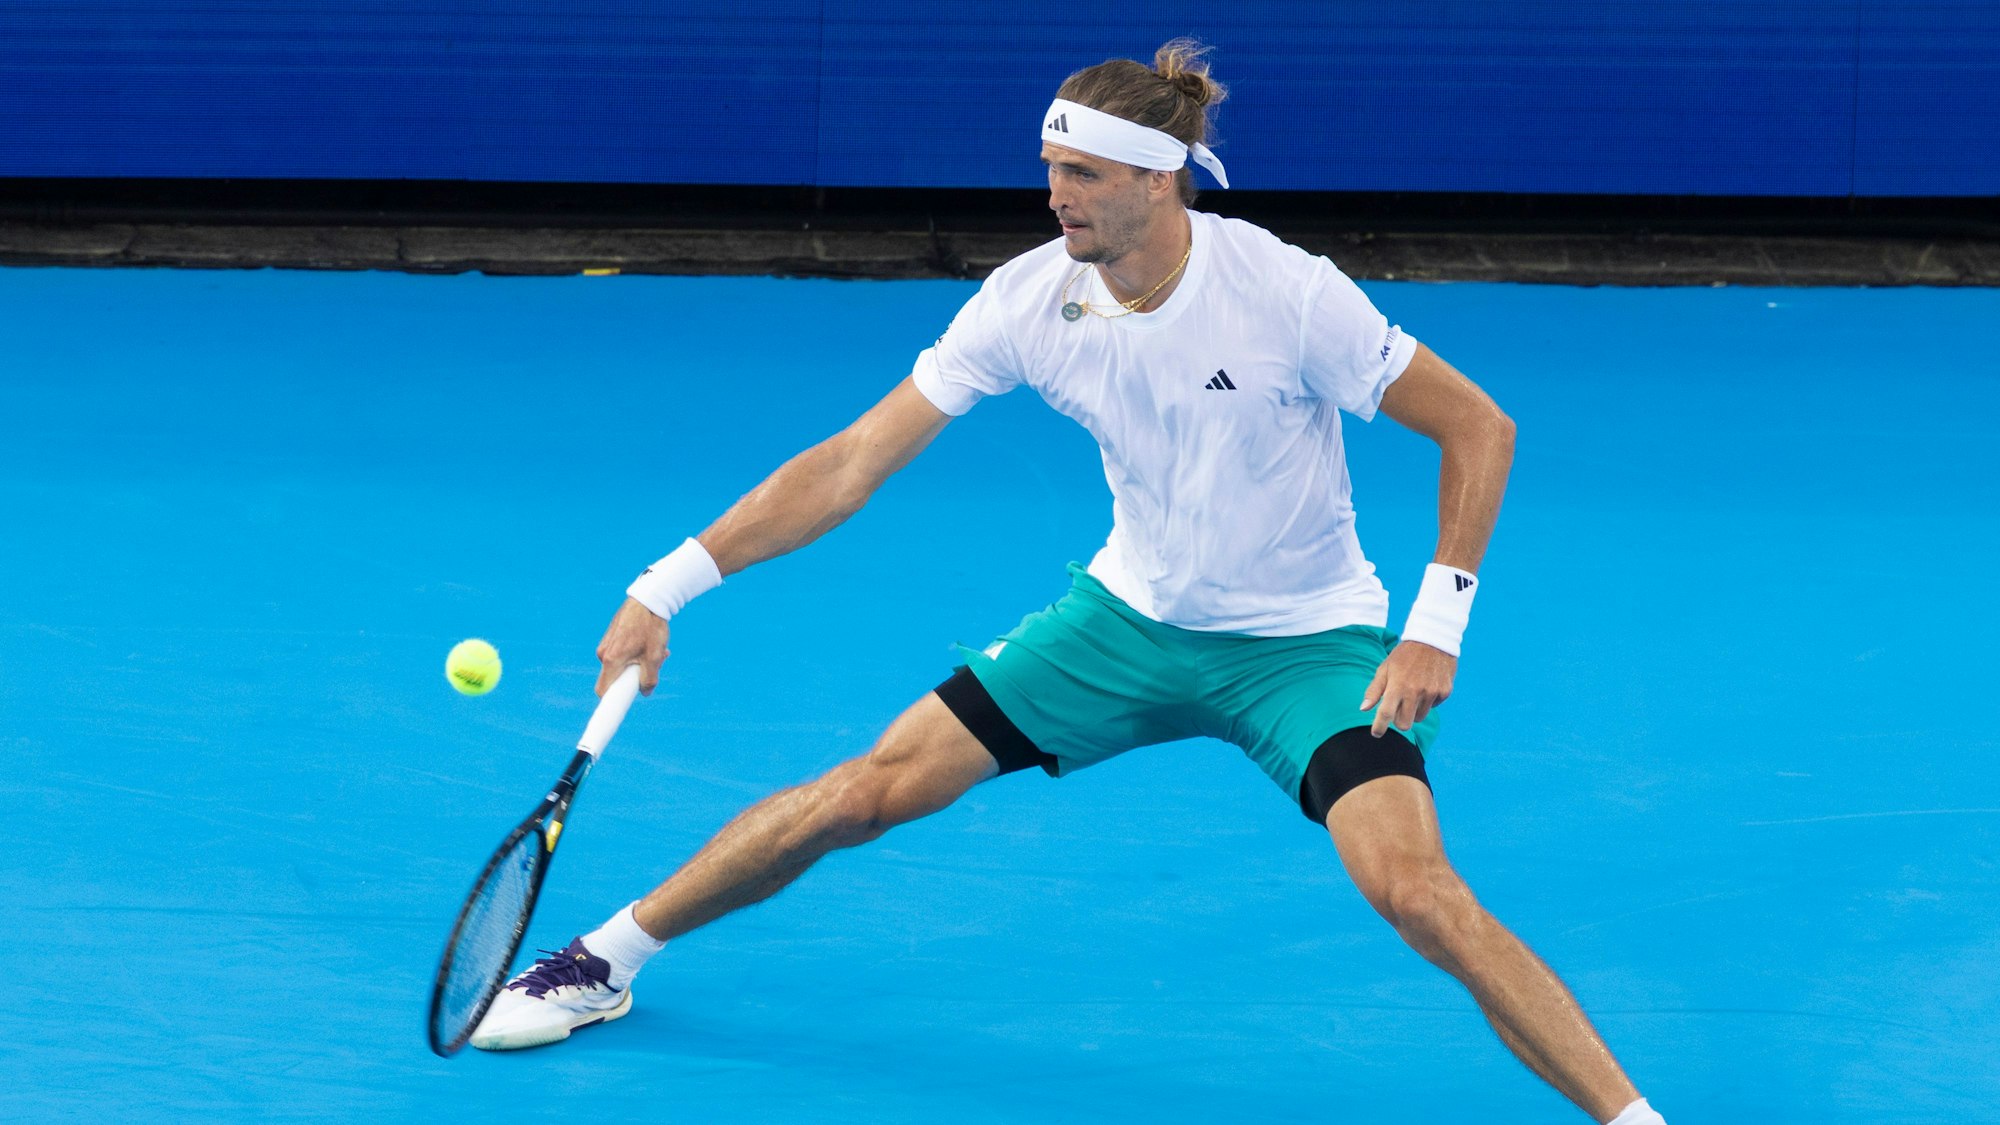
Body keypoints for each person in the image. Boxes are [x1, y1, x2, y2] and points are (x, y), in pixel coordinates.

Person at [471, 38, 1668, 1125]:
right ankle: (602, 960)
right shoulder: (1028, 298)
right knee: (863, 794)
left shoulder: (1284, 292)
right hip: (1123, 625)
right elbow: (851, 462)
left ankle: (1630, 1118)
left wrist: (1434, 625)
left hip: (1306, 648)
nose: (1054, 195)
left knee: (1413, 892)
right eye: (1049, 168)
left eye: (1082, 173)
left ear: (1159, 178)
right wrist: (666, 585)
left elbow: (1477, 426)